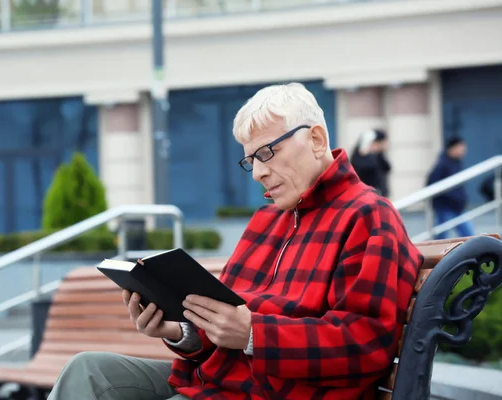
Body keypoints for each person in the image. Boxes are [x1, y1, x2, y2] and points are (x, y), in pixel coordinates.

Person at [47, 83, 423, 400]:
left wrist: (255, 335)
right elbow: (226, 325)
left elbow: (365, 344)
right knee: (88, 372)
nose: (258, 172)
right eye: (250, 160)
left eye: (266, 153)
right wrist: (181, 332)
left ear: (316, 139)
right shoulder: (266, 221)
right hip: (219, 382)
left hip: (276, 392)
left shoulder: (368, 216)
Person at [426, 136, 475, 239]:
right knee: (441, 235)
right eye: (460, 148)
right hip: (445, 206)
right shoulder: (442, 164)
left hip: (456, 206)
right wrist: (452, 197)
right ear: (452, 148)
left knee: (468, 234)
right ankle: (437, 253)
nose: (463, 151)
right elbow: (432, 183)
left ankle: (477, 252)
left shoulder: (456, 163)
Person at [350, 129, 391, 197]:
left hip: (379, 195)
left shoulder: (378, 156)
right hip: (366, 195)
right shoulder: (360, 158)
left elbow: (387, 167)